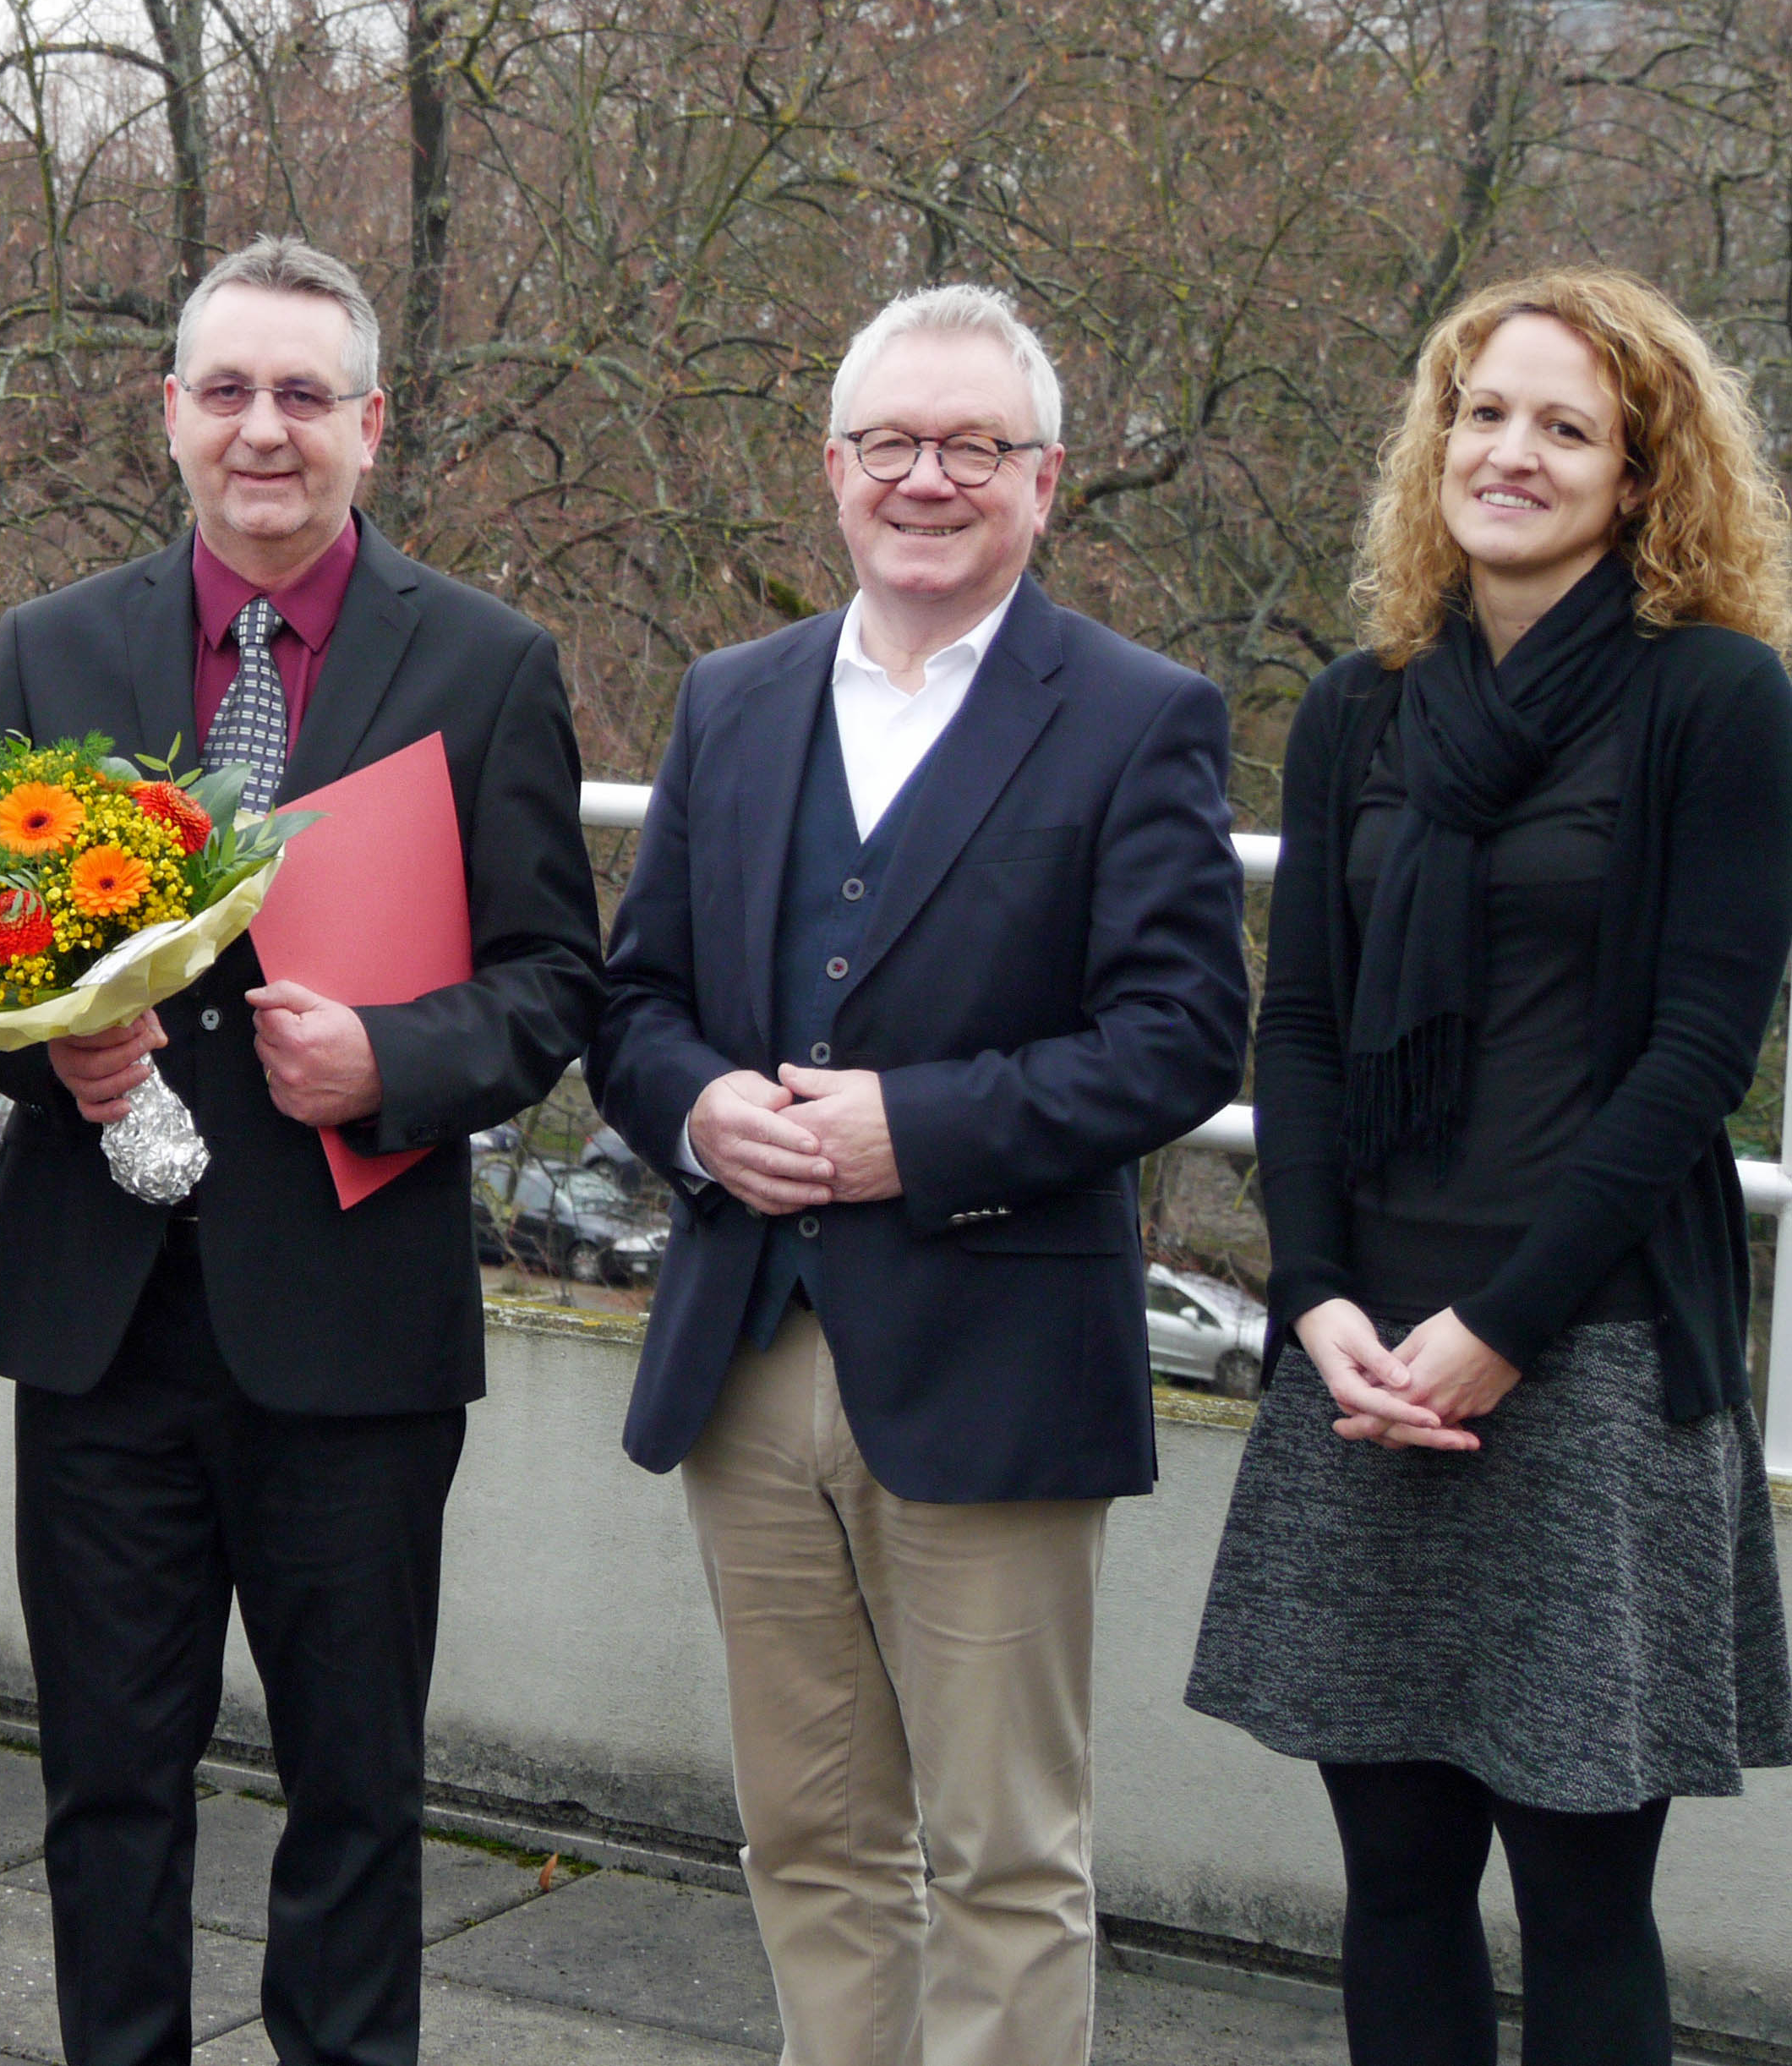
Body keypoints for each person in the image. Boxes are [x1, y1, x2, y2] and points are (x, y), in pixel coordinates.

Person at [0, 237, 604, 2065]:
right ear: (167, 415)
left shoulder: (485, 666)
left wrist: (390, 1059)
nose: (263, 430)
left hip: (349, 1332)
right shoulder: (53, 647)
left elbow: (555, 985)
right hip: (98, 1330)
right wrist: (45, 1049)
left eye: (303, 396)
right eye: (226, 392)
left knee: (353, 1798)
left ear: (369, 428)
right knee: (104, 1791)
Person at [587, 284, 1249, 2065]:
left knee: (1003, 1856)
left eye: (972, 448)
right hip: (747, 1348)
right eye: (892, 443)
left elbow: (1182, 1036)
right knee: (806, 1835)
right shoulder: (730, 702)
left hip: (992, 1360)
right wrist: (698, 1107)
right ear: (832, 470)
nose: (927, 479)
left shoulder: (1135, 716)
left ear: (1044, 483)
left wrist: (915, 1131)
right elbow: (631, 999)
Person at [1186, 269, 1792, 2066]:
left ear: (1638, 475)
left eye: (1563, 427)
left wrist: (1502, 1327)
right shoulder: (1358, 712)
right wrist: (1311, 1306)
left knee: (1581, 1897)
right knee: (1387, 1884)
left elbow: (1699, 1056)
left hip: (1586, 1354)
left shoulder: (1717, 701)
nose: (1507, 453)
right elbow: (1289, 1029)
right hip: (1363, 1360)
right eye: (1479, 413)